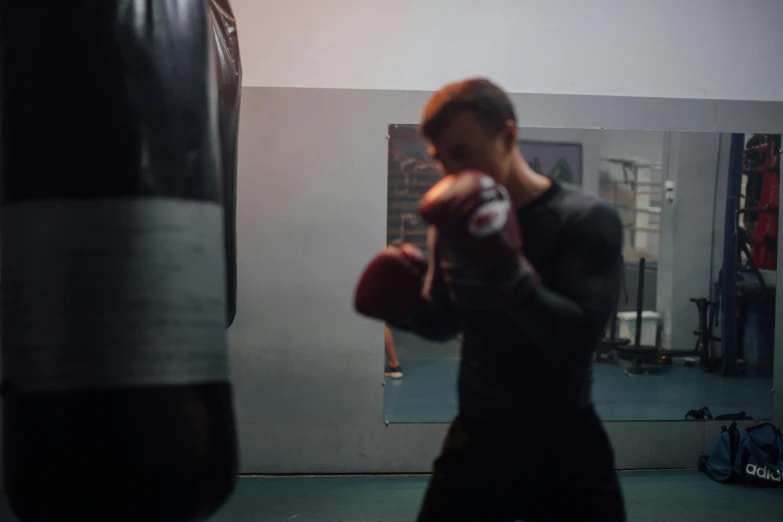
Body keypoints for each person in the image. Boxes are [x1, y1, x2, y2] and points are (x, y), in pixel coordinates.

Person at [354, 78, 626, 521]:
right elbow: (444, 322)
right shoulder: (452, 223)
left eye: (463, 153)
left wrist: (505, 270)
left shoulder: (584, 219)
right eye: (443, 160)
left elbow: (576, 340)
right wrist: (401, 308)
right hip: (477, 439)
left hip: (565, 445)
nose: (452, 173)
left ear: (509, 136)